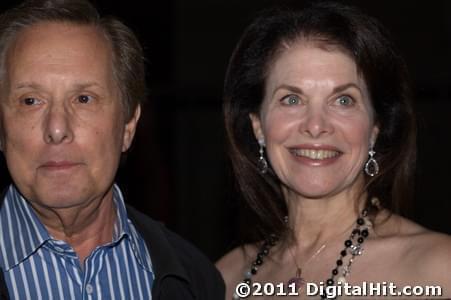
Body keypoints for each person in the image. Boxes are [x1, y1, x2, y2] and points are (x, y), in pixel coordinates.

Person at [217, 2, 451, 299]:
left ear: (375, 127)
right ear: (257, 126)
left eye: (343, 100)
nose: (316, 126)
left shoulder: (438, 270)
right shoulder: (225, 277)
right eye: (291, 99)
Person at [0, 0, 224, 299]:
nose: (56, 129)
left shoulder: (196, 279)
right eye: (30, 101)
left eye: (84, 99)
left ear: (128, 126)